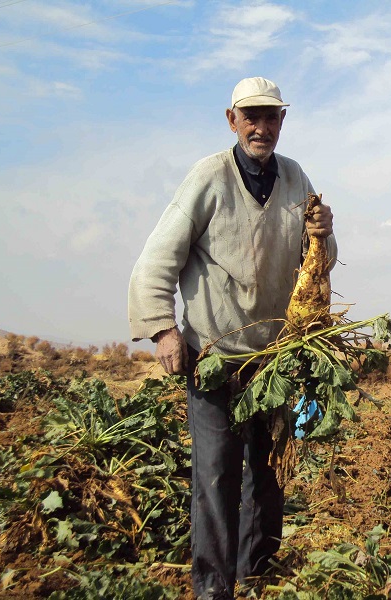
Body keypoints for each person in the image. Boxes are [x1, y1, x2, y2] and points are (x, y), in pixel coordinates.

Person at [128, 77, 337, 600]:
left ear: (282, 122)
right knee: (216, 477)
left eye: (271, 118)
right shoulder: (209, 177)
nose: (261, 127)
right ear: (232, 120)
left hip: (274, 360)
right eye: (252, 118)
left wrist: (324, 234)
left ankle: (258, 576)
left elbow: (318, 265)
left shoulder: (295, 178)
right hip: (213, 357)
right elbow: (158, 257)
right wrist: (161, 327)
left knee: (267, 477)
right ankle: (214, 589)